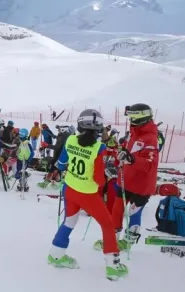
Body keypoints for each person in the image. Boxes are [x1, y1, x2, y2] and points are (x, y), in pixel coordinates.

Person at [48, 109, 128, 280]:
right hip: (88, 194)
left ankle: (56, 254)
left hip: (69, 188)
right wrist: (109, 175)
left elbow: (61, 163)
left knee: (69, 221)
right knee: (107, 225)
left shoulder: (70, 139)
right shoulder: (99, 148)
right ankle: (113, 266)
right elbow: (99, 179)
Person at [105, 103, 159, 252]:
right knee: (116, 210)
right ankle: (112, 240)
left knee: (133, 212)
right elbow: (126, 153)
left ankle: (128, 241)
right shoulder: (133, 133)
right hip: (125, 180)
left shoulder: (151, 138)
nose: (129, 120)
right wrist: (117, 159)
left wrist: (132, 160)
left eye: (132, 117)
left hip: (141, 185)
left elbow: (149, 163)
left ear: (140, 118)